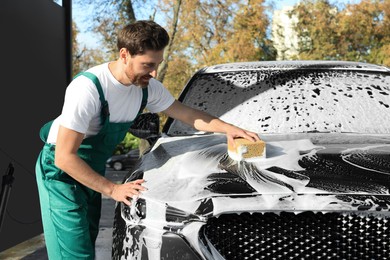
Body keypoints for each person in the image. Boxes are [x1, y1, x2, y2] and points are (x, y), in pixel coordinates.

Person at [35, 20, 259, 259]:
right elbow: (64, 157)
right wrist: (113, 189)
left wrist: (228, 129)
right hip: (61, 174)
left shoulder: (147, 88)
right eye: (147, 65)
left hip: (92, 168)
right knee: (72, 254)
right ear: (124, 54)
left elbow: (187, 114)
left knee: (86, 243)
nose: (154, 73)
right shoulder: (88, 89)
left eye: (157, 64)